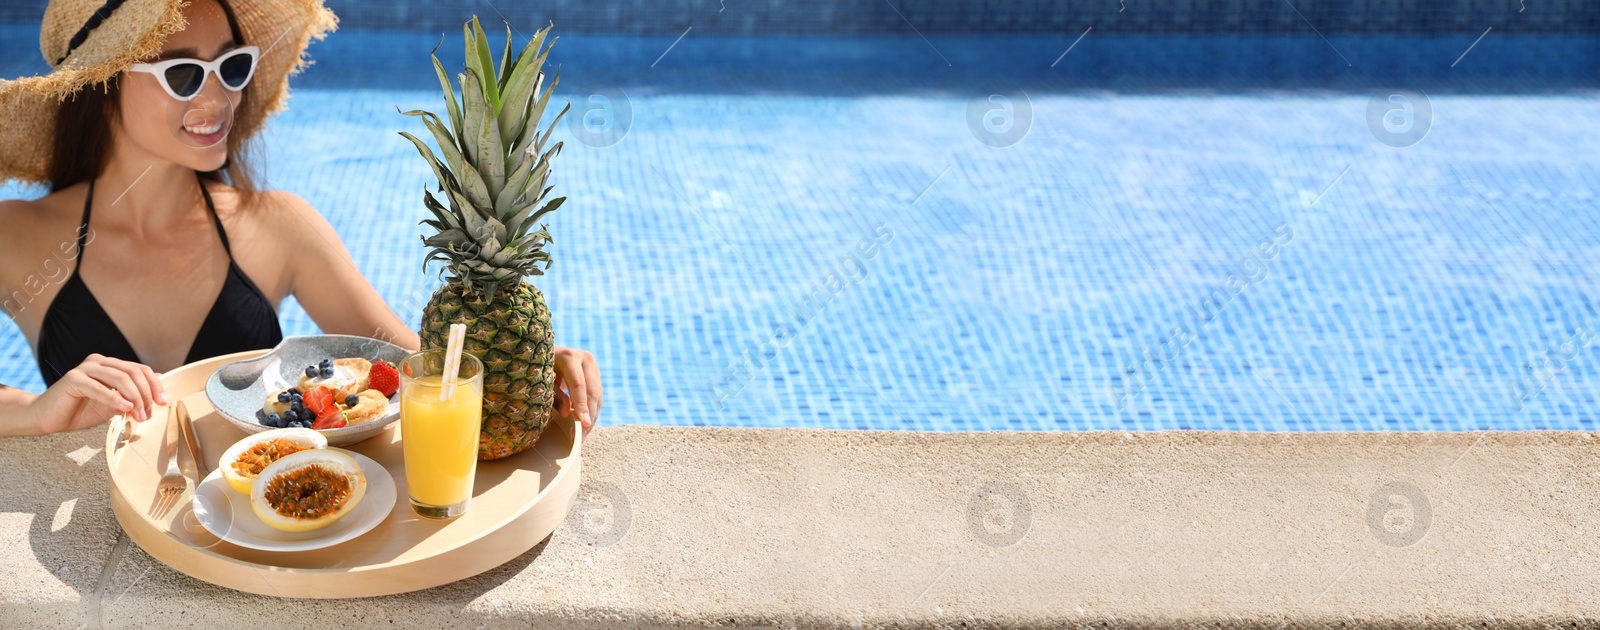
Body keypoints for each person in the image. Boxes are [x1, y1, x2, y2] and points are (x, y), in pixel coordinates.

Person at [0, 0, 601, 437]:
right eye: (183, 74)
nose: (217, 99)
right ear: (102, 86)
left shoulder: (279, 228)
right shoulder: (16, 238)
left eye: (231, 66)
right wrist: (32, 413)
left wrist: (524, 372)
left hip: (263, 536)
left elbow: (414, 367)